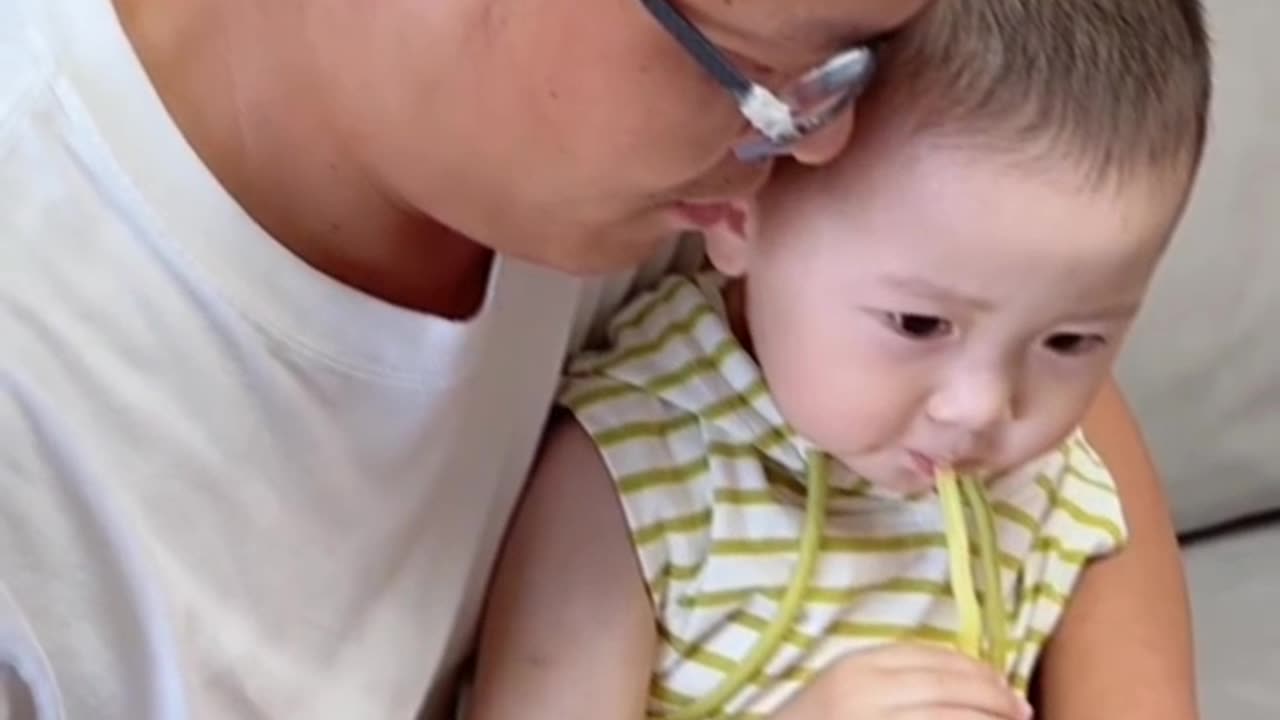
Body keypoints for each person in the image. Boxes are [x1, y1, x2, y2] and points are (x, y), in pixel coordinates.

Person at [0, 0, 1193, 718]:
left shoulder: (663, 168)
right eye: (792, 76)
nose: (824, 155)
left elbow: (1022, 341)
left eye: (862, 64)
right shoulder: (46, 411)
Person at [466, 1, 1212, 719]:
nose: (985, 407)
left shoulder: (1040, 486)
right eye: (919, 323)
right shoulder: (639, 469)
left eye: (1070, 341)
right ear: (736, 208)